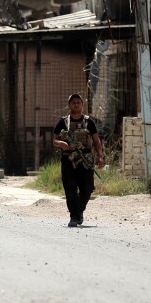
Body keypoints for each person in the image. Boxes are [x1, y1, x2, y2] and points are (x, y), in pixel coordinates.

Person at [53, 93, 104, 227]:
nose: (76, 104)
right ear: (69, 105)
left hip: (85, 159)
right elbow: (54, 140)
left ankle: (79, 211)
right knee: (70, 188)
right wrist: (61, 144)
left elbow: (96, 141)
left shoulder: (89, 122)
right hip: (68, 159)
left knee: (87, 188)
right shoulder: (63, 122)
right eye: (73, 102)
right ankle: (74, 217)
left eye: (78, 102)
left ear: (82, 105)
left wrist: (100, 157)